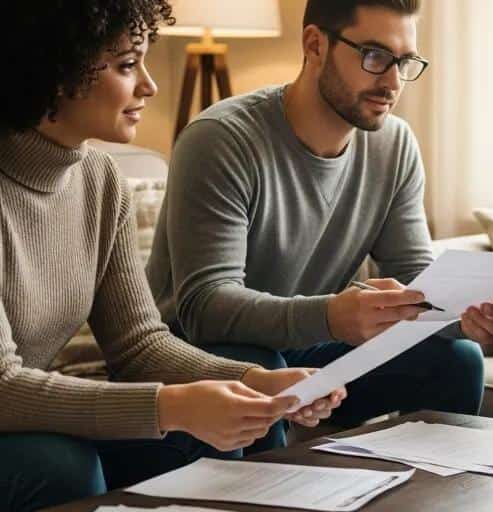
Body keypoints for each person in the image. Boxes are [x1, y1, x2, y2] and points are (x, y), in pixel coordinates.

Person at [0, 2, 345, 510]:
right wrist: (169, 405)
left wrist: (255, 382)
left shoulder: (100, 179)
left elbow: (138, 346)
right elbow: (3, 388)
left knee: (235, 424)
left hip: (26, 420)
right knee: (58, 466)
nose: (148, 85)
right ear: (56, 72)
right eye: (125, 65)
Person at [146, 0, 493, 429]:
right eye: (376, 57)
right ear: (314, 44)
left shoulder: (394, 146)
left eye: (405, 62)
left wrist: (461, 314)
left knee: (455, 359)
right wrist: (332, 316)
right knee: (257, 364)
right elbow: (205, 307)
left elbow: (415, 275)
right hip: (204, 359)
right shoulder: (221, 141)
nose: (393, 82)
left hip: (310, 347)